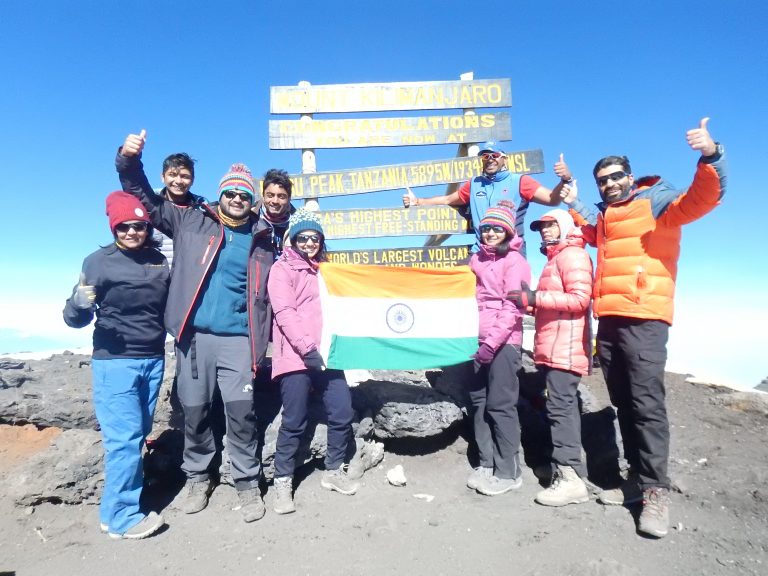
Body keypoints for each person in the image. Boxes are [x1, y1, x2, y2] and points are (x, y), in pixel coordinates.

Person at [561, 118, 726, 538]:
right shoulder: (607, 216)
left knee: (647, 404)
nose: (610, 184)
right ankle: (636, 478)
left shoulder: (656, 202)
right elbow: (595, 232)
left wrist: (710, 156)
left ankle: (656, 491)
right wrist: (574, 199)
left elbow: (701, 200)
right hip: (610, 319)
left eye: (616, 176)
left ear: (630, 177)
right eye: (603, 180)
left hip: (645, 318)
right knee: (624, 403)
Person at [116, 129, 291, 523]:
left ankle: (246, 482)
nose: (237, 199)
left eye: (244, 195)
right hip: (194, 337)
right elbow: (143, 197)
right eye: (231, 193)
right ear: (221, 194)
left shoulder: (263, 239)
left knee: (242, 414)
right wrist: (129, 160)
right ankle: (198, 478)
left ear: (252, 200)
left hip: (240, 339)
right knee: (193, 412)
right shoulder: (191, 220)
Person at [63, 191, 169, 540]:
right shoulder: (98, 262)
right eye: (124, 226)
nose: (132, 232)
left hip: (153, 358)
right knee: (123, 439)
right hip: (115, 363)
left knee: (137, 434)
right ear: (113, 228)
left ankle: (117, 507)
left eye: (139, 225)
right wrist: (77, 304)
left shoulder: (159, 260)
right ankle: (122, 518)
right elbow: (74, 318)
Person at [267, 208, 359, 514]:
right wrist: (306, 348)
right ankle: (282, 481)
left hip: (328, 354)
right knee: (294, 419)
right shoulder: (281, 269)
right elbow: (285, 312)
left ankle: (333, 470)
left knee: (342, 411)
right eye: (303, 237)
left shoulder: (326, 271)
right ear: (293, 239)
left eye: (315, 238)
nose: (309, 243)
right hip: (296, 356)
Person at [508, 207, 593, 507]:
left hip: (565, 348)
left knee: (561, 410)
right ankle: (565, 470)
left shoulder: (573, 255)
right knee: (558, 408)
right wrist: (528, 303)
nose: (545, 230)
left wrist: (535, 297)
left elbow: (580, 300)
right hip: (554, 346)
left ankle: (571, 480)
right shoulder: (554, 259)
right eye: (541, 226)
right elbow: (553, 307)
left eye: (551, 224)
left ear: (565, 226)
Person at [466, 201, 531, 496]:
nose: (490, 233)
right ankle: (486, 462)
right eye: (486, 228)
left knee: (500, 404)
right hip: (474, 340)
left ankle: (508, 472)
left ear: (507, 232)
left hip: (504, 343)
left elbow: (514, 306)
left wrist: (491, 343)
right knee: (479, 402)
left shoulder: (515, 261)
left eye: (497, 228)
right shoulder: (475, 260)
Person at [402, 142, 572, 249]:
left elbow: (552, 199)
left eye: (494, 155)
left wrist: (565, 180)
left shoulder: (520, 181)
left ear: (504, 159)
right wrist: (418, 201)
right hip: (481, 251)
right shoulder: (474, 184)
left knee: (513, 297)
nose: (490, 159)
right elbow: (447, 199)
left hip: (512, 251)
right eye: (485, 156)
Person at [152, 152, 204, 267]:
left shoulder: (202, 207)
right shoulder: (150, 202)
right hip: (153, 273)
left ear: (193, 180)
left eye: (184, 176)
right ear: (162, 177)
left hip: (187, 273)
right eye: (172, 174)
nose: (178, 181)